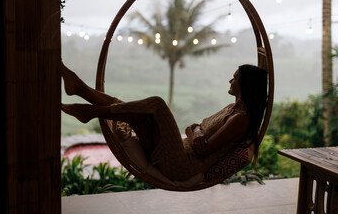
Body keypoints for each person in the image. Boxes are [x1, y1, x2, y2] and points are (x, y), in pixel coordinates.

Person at [61, 62, 267, 183]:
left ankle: (89, 110)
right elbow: (192, 128)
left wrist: (197, 132)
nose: (230, 81)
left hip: (182, 165)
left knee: (157, 105)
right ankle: (81, 90)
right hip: (179, 151)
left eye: (235, 78)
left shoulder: (241, 120)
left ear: (245, 85)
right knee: (137, 115)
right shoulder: (230, 109)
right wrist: (197, 132)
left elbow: (203, 150)